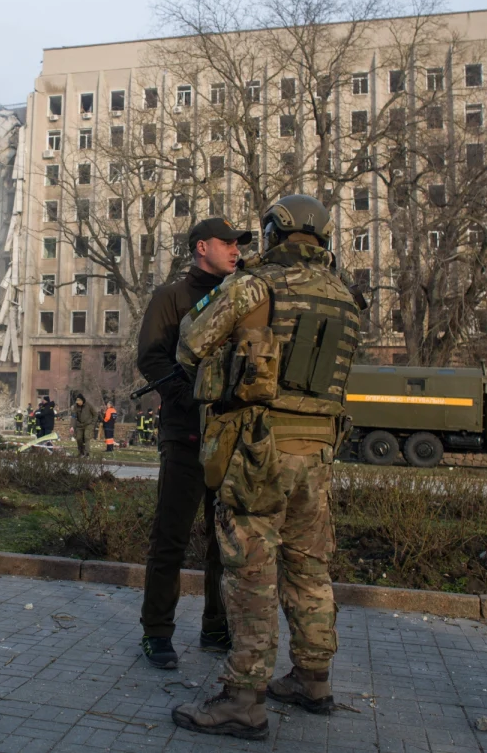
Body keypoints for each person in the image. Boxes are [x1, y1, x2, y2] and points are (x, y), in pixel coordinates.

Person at [171, 195, 362, 740]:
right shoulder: (346, 295)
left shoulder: (255, 285)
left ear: (276, 232)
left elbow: (191, 342)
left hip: (259, 451)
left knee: (252, 571)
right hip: (318, 454)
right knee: (310, 568)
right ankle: (313, 679)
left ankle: (243, 699)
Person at [136, 216, 248, 671]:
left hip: (231, 436)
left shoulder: (242, 295)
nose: (236, 250)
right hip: (185, 435)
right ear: (201, 247)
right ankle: (157, 633)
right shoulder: (171, 297)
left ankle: (215, 626)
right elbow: (151, 356)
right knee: (171, 538)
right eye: (227, 243)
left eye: (238, 244)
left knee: (225, 540)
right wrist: (188, 398)